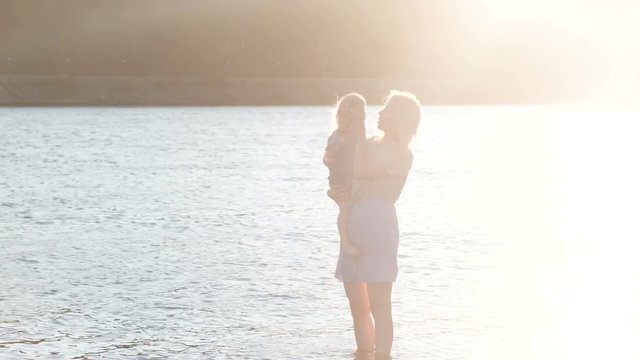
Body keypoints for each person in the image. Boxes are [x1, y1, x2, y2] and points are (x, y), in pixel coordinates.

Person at [328, 90, 421, 359]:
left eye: (387, 109)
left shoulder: (402, 153)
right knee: (358, 305)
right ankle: (363, 353)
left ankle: (382, 356)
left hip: (378, 226)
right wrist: (337, 192)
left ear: (399, 118)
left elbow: (362, 172)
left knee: (380, 305)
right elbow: (346, 175)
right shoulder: (367, 142)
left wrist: (357, 141)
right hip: (353, 221)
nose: (379, 113)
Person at [323, 93, 367, 258]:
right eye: (356, 116)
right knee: (345, 207)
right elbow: (327, 158)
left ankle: (356, 239)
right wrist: (330, 159)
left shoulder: (357, 134)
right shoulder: (338, 136)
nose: (360, 120)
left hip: (352, 179)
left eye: (363, 115)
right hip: (340, 180)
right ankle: (346, 243)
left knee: (354, 209)